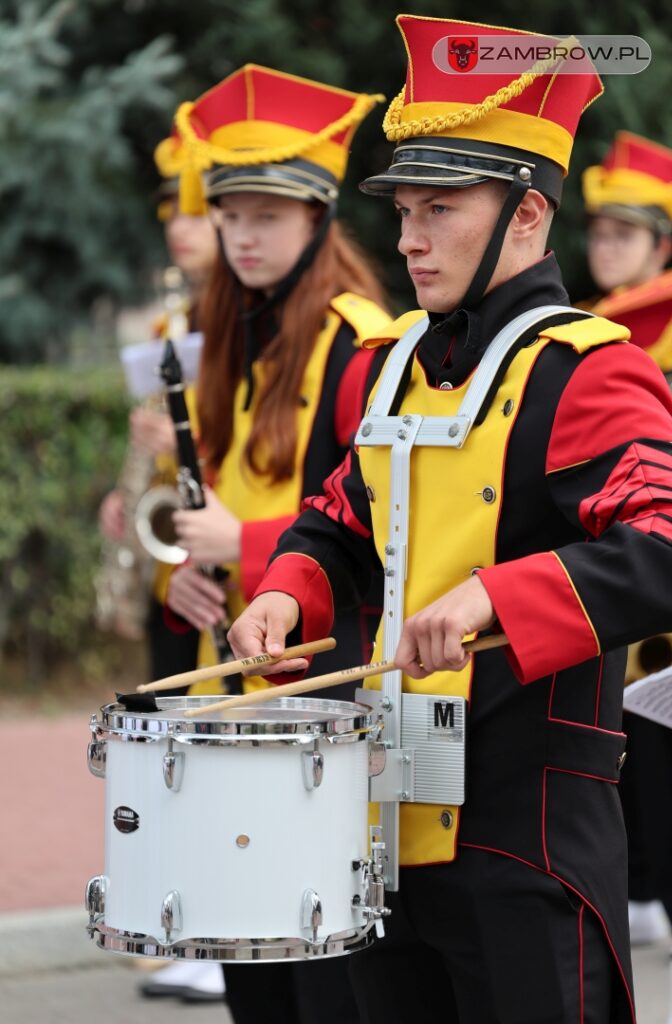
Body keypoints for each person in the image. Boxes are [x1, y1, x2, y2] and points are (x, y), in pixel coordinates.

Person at [227, 16, 672, 1024]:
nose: (407, 237)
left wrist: (495, 593)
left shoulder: (587, 366)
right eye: (402, 209)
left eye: (440, 208)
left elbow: (667, 546)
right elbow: (340, 519)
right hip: (383, 820)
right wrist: (280, 588)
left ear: (526, 215)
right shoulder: (392, 362)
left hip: (525, 837)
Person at [152, 64, 391, 1020]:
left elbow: (372, 529)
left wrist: (243, 543)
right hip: (236, 687)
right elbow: (209, 494)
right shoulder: (226, 330)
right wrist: (186, 572)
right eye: (230, 214)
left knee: (323, 983)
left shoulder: (361, 343)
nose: (243, 236)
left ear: (320, 218)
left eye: (268, 215)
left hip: (322, 701)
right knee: (253, 975)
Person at [583, 131, 672, 1023]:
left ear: (662, 242)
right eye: (601, 230)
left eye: (627, 232)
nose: (607, 244)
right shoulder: (583, 324)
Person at [97, 174, 218, 682]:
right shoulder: (168, 327)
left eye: (192, 212)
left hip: (225, 558)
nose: (176, 227)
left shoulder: (245, 329)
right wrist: (131, 488)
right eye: (170, 213)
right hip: (172, 565)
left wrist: (182, 446)